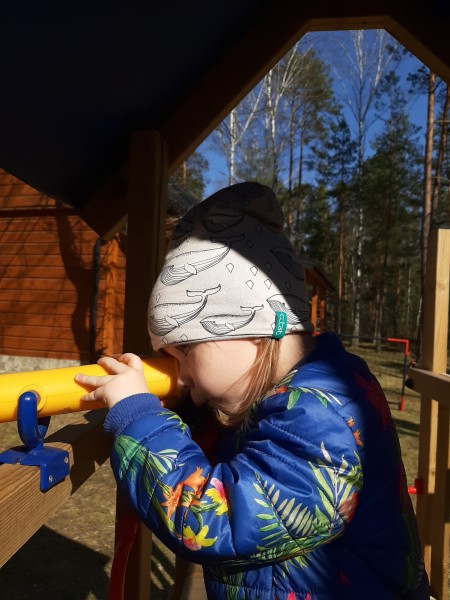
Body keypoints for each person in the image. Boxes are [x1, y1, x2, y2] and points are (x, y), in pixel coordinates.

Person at [75, 182, 429, 599]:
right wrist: (174, 409)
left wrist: (140, 418)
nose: (180, 377)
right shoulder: (289, 400)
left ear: (252, 329)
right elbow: (227, 449)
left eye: (184, 351)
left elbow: (213, 521)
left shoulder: (321, 420)